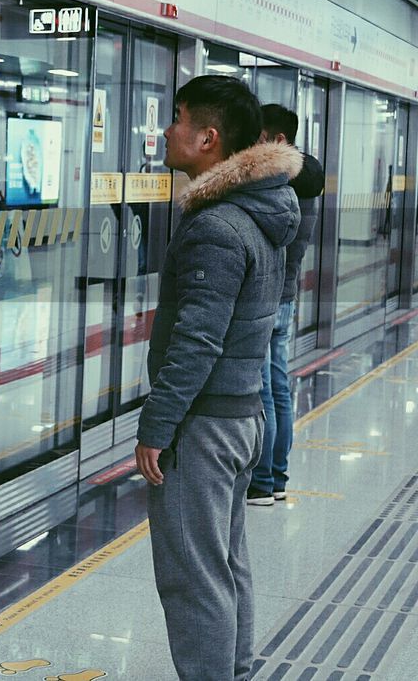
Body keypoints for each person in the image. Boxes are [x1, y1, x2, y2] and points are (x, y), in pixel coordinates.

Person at [134, 76, 302, 681]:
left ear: (207, 138)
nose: (167, 129)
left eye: (177, 117)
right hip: (243, 414)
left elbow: (197, 341)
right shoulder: (264, 211)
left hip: (202, 426)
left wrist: (158, 424)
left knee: (193, 578)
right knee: (226, 564)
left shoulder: (215, 226)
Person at [247, 104, 324, 506]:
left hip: (268, 297)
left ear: (278, 140)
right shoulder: (305, 180)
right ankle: (275, 477)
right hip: (286, 296)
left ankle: (261, 481)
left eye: (257, 136)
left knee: (263, 391)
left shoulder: (283, 183)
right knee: (277, 388)